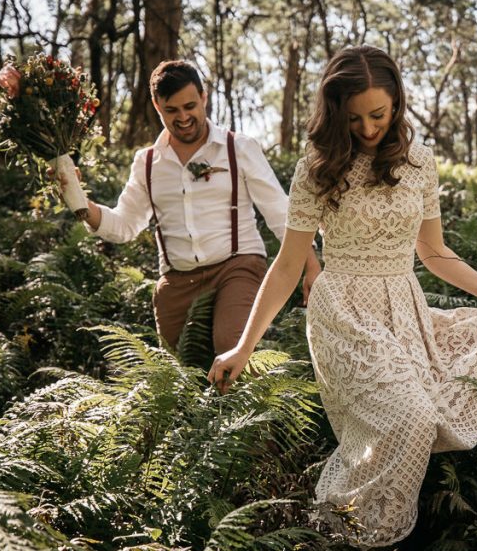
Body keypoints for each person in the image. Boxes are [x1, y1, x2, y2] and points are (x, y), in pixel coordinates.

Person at [207, 45, 477, 546]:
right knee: (407, 418)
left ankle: (365, 549)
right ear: (335, 112)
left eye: (379, 115)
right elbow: (285, 267)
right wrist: (244, 347)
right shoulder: (317, 168)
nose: (368, 128)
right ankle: (339, 536)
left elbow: (434, 253)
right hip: (341, 311)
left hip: (402, 308)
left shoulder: (420, 163)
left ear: (398, 105)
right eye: (355, 118)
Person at [58, 60, 321, 354]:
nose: (183, 117)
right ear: (158, 106)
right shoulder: (147, 163)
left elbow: (279, 211)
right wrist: (80, 203)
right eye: (172, 110)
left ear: (203, 98)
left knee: (231, 347)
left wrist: (311, 267)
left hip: (238, 266)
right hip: (177, 281)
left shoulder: (238, 148)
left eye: (190, 106)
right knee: (182, 370)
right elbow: (124, 225)